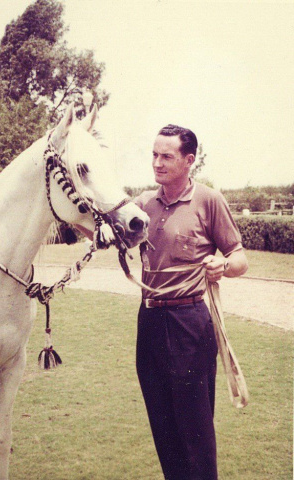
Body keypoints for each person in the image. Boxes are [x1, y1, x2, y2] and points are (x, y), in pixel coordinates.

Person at [135, 124, 248, 480]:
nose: (157, 162)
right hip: (149, 321)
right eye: (154, 154)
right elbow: (104, 232)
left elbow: (239, 257)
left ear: (189, 160)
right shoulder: (142, 204)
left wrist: (224, 265)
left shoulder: (209, 200)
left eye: (166, 156)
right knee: (163, 430)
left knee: (194, 433)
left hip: (189, 324)